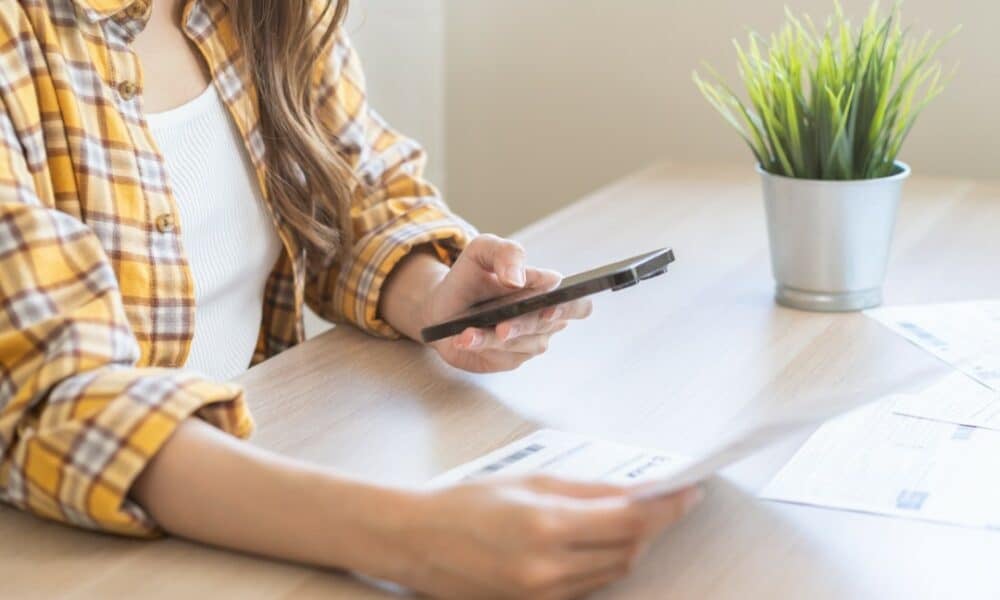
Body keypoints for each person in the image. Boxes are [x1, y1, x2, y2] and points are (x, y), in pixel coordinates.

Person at [0, 1, 702, 597]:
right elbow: (57, 393)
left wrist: (436, 296)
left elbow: (354, 200)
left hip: (257, 490)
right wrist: (415, 534)